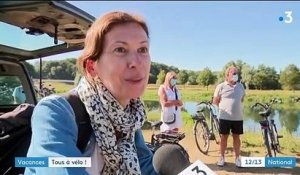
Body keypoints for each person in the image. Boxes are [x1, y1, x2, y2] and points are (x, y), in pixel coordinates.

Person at [25, 11, 156, 175]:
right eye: (120, 49)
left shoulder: (128, 119)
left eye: (143, 49)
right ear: (91, 67)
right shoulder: (55, 112)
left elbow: (146, 167)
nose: (137, 63)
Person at [213, 66, 245, 167]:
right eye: (234, 73)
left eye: (236, 73)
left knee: (237, 138)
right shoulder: (221, 86)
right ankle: (221, 158)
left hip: (238, 118)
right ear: (228, 75)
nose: (236, 75)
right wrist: (225, 108)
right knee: (224, 138)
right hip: (224, 117)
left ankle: (237, 158)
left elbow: (242, 99)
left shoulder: (241, 86)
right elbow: (215, 101)